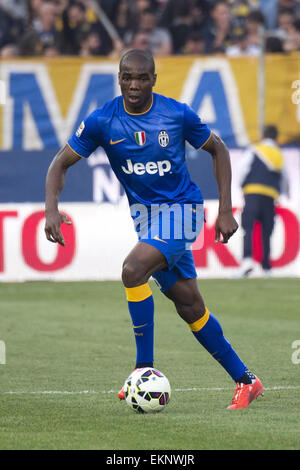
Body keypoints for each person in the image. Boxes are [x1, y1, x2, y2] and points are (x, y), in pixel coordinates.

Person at [44, 49, 263, 410]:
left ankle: (142, 370)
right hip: (147, 221)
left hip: (183, 211)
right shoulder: (102, 121)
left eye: (142, 78)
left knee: (133, 270)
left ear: (154, 80)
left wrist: (225, 210)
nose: (134, 85)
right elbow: (59, 163)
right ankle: (247, 381)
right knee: (190, 305)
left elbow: (219, 149)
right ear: (118, 78)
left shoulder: (176, 114)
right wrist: (51, 208)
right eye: (127, 77)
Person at [238, 125, 289, 278]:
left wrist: (241, 185)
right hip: (270, 197)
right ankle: (266, 267)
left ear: (263, 136)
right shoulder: (279, 154)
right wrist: (286, 193)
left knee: (248, 228)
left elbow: (243, 169)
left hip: (252, 193)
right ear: (276, 138)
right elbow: (285, 178)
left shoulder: (255, 149)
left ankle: (247, 261)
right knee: (267, 232)